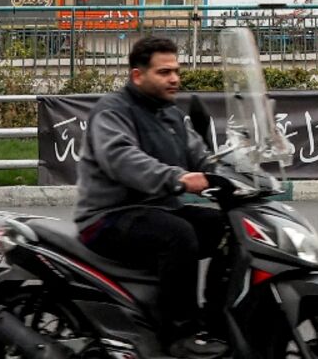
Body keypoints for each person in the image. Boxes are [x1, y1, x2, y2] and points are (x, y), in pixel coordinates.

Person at [73, 37, 226, 359]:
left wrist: (230, 172)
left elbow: (200, 157)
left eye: (176, 71)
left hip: (157, 211)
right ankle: (179, 335)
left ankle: (217, 320)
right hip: (108, 216)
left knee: (227, 227)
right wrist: (178, 178)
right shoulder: (113, 111)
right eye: (164, 72)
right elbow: (122, 159)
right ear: (138, 75)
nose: (174, 79)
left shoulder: (171, 115)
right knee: (178, 235)